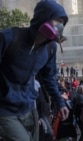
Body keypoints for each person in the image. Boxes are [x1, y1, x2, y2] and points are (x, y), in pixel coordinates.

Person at [0, 0, 69, 141]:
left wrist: (59, 102)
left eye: (62, 22)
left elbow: (49, 77)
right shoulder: (9, 37)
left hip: (30, 108)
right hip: (5, 110)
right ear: (42, 18)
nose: (60, 26)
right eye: (57, 20)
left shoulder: (50, 49)